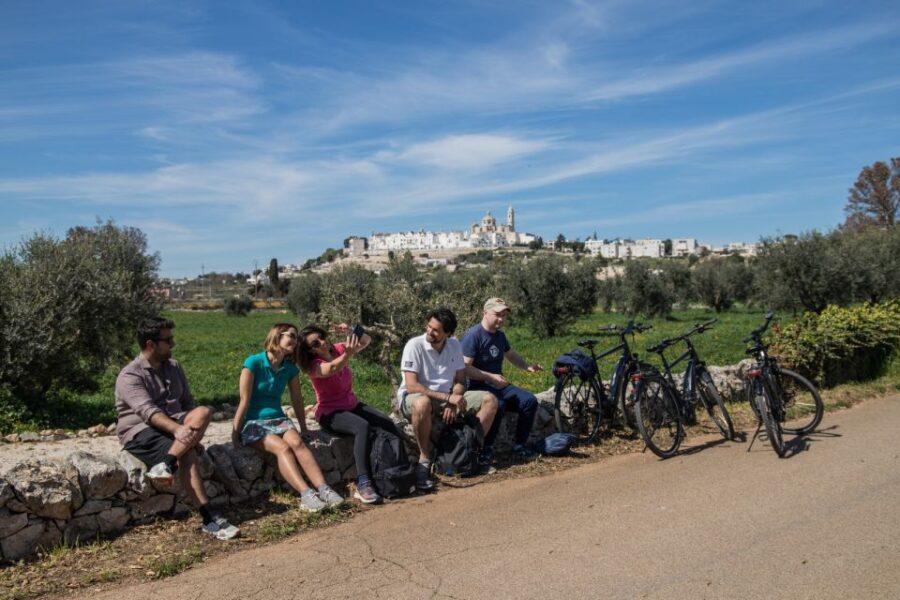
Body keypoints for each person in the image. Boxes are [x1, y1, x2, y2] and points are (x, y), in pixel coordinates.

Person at [116, 317, 240, 540]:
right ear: (151, 344)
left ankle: (165, 463)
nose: (172, 344)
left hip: (174, 425)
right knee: (188, 453)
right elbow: (148, 412)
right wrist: (180, 432)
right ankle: (209, 518)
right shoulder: (130, 375)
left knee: (204, 411)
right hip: (141, 432)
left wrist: (191, 433)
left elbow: (187, 404)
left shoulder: (174, 367)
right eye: (168, 340)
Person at [232, 323, 344, 512]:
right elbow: (244, 400)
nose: (295, 340)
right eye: (290, 335)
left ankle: (324, 489)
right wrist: (235, 434)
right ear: (277, 336)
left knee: (298, 443)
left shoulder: (290, 369)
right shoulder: (253, 362)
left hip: (278, 419)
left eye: (296, 337)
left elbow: (297, 399)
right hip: (253, 422)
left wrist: (304, 427)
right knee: (283, 448)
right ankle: (306, 494)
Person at [298, 323, 404, 504]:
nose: (322, 342)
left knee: (386, 422)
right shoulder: (314, 366)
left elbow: (366, 340)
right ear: (310, 351)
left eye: (322, 337)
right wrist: (348, 354)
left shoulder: (338, 349)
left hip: (351, 404)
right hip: (330, 412)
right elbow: (332, 368)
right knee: (362, 427)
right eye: (315, 343)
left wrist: (351, 329)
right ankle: (363, 483)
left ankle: (400, 470)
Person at [398, 307, 498, 490]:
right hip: (417, 397)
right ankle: (424, 460)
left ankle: (470, 453)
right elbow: (412, 386)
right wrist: (448, 397)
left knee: (490, 400)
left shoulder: (454, 345)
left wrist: (454, 399)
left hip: (448, 396)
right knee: (422, 403)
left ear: (448, 333)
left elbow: (460, 380)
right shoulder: (415, 345)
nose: (429, 331)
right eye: (429, 326)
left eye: (435, 330)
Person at [461, 297, 544, 465]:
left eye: (504, 315)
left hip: (498, 384)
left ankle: (520, 446)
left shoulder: (499, 336)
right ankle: (485, 449)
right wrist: (490, 377)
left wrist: (527, 366)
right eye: (497, 314)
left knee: (529, 401)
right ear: (485, 312)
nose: (501, 319)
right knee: (498, 404)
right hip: (478, 386)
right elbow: (464, 368)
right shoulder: (473, 335)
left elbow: (510, 355)